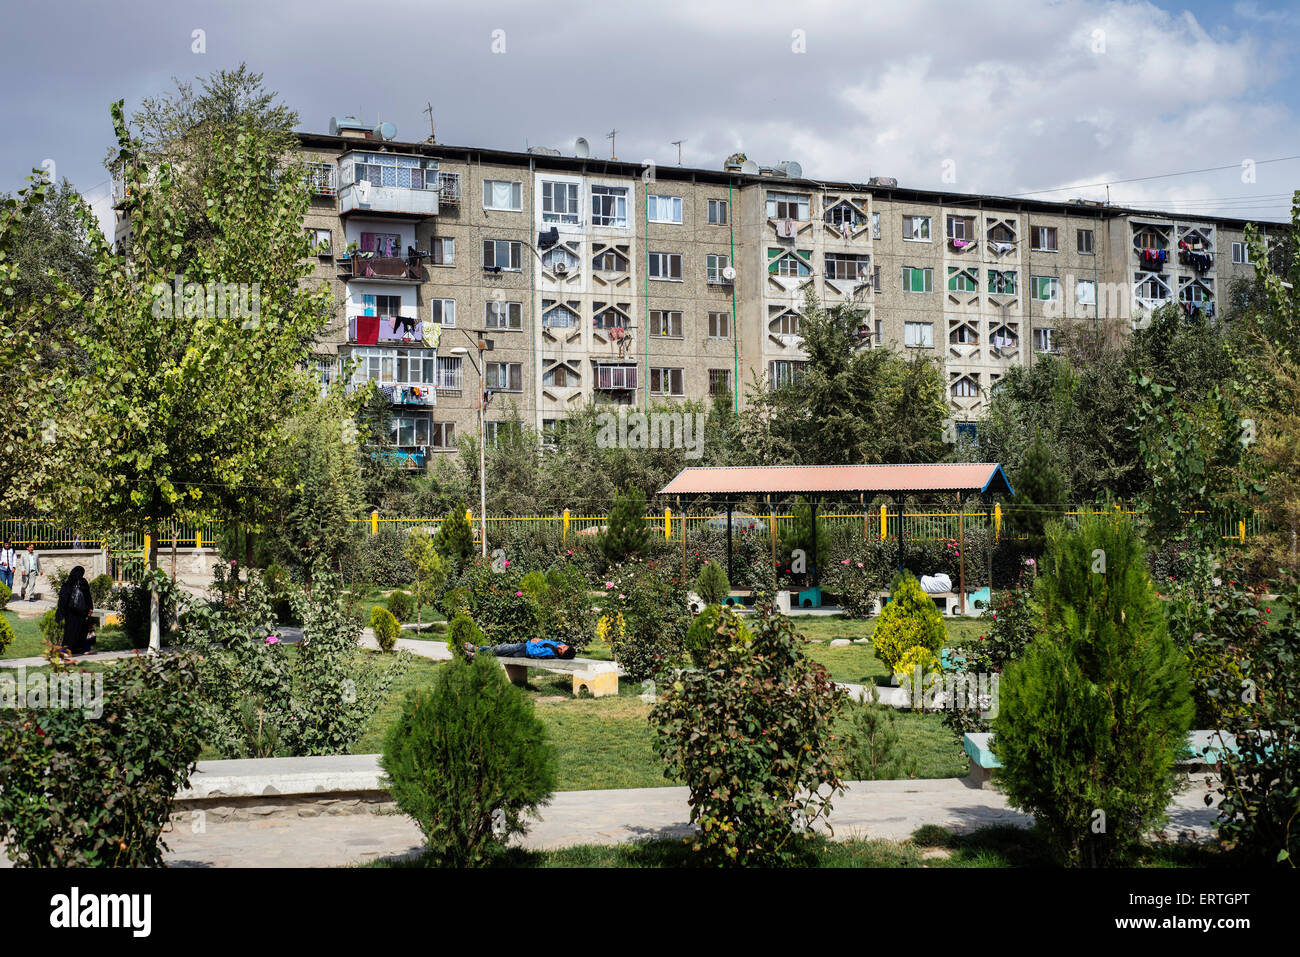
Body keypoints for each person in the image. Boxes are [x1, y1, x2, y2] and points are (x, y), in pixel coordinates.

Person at [55, 565, 94, 656]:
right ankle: (81, 648)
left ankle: (66, 649)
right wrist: (90, 608)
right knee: (82, 630)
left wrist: (61, 611)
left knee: (69, 631)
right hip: (81, 612)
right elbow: (88, 596)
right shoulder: (83, 582)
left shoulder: (68, 583)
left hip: (70, 612)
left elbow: (63, 598)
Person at [465, 638, 576, 660]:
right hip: (524, 647)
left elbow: (533, 653)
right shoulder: (557, 645)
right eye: (565, 645)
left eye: (563, 648)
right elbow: (546, 642)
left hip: (523, 650)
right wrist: (538, 640)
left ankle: (478, 652)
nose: (561, 645)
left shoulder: (550, 652)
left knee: (500, 649)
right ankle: (478, 650)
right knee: (500, 649)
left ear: (561, 653)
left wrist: (532, 643)